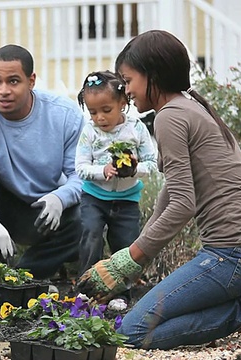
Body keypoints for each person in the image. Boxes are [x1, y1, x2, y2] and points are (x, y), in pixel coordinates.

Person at [76, 30, 241, 350]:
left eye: (128, 80)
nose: (125, 90)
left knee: (132, 331)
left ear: (154, 76)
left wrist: (129, 258)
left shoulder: (171, 117)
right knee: (146, 316)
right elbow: (169, 195)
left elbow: (182, 204)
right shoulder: (186, 107)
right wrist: (137, 258)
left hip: (237, 252)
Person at [0, 44, 85, 280]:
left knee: (90, 211)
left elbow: (82, 175)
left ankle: (25, 276)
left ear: (31, 81)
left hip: (43, 212)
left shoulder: (64, 115)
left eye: (13, 81)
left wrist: (61, 197)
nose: (3, 90)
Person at [75, 70, 158, 277]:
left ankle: (122, 289)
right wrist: (102, 171)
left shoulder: (136, 128)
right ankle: (87, 283)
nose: (99, 118)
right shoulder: (90, 132)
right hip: (94, 198)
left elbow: (152, 163)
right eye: (93, 112)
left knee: (125, 243)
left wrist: (134, 169)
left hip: (127, 200)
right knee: (91, 235)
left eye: (106, 110)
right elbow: (81, 167)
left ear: (122, 102)